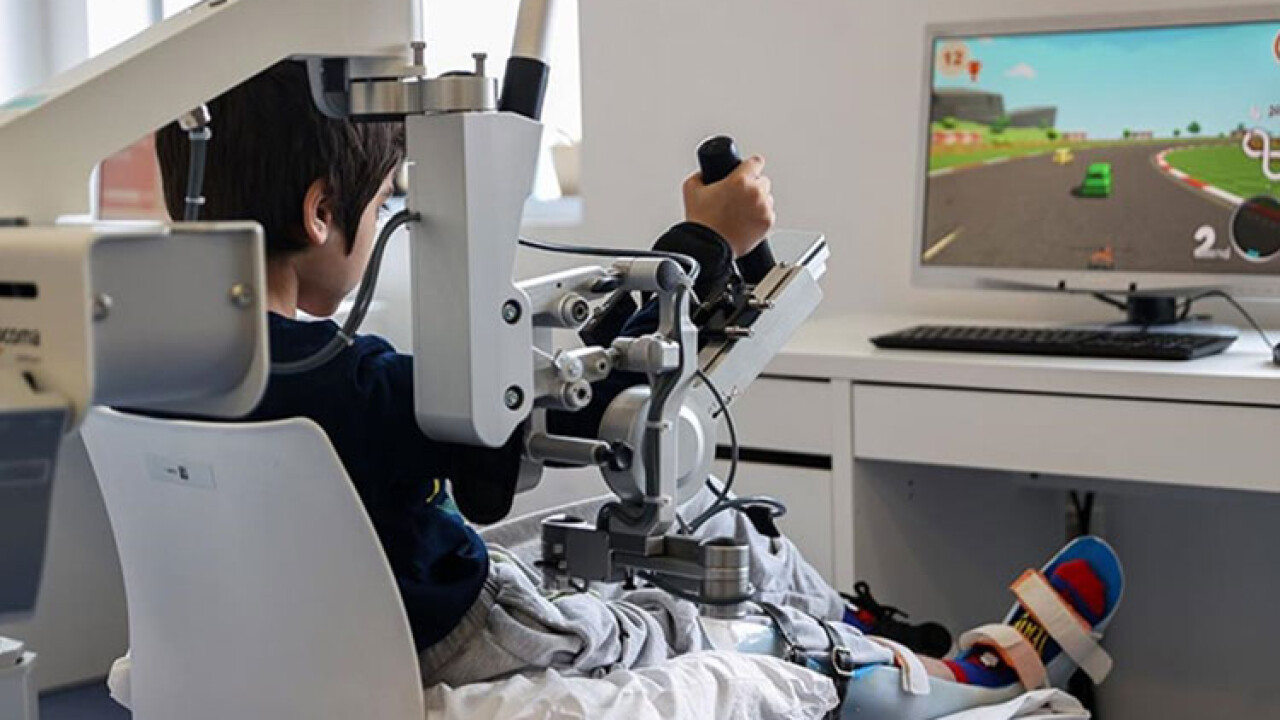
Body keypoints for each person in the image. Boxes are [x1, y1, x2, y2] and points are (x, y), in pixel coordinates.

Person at [154, 59, 1119, 712]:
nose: (384, 227)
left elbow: (491, 433)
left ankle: (864, 625)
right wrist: (703, 244)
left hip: (355, 612)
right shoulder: (346, 382)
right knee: (722, 618)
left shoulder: (156, 369)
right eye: (383, 207)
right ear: (323, 213)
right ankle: (961, 678)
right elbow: (557, 408)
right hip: (463, 630)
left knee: (713, 524)